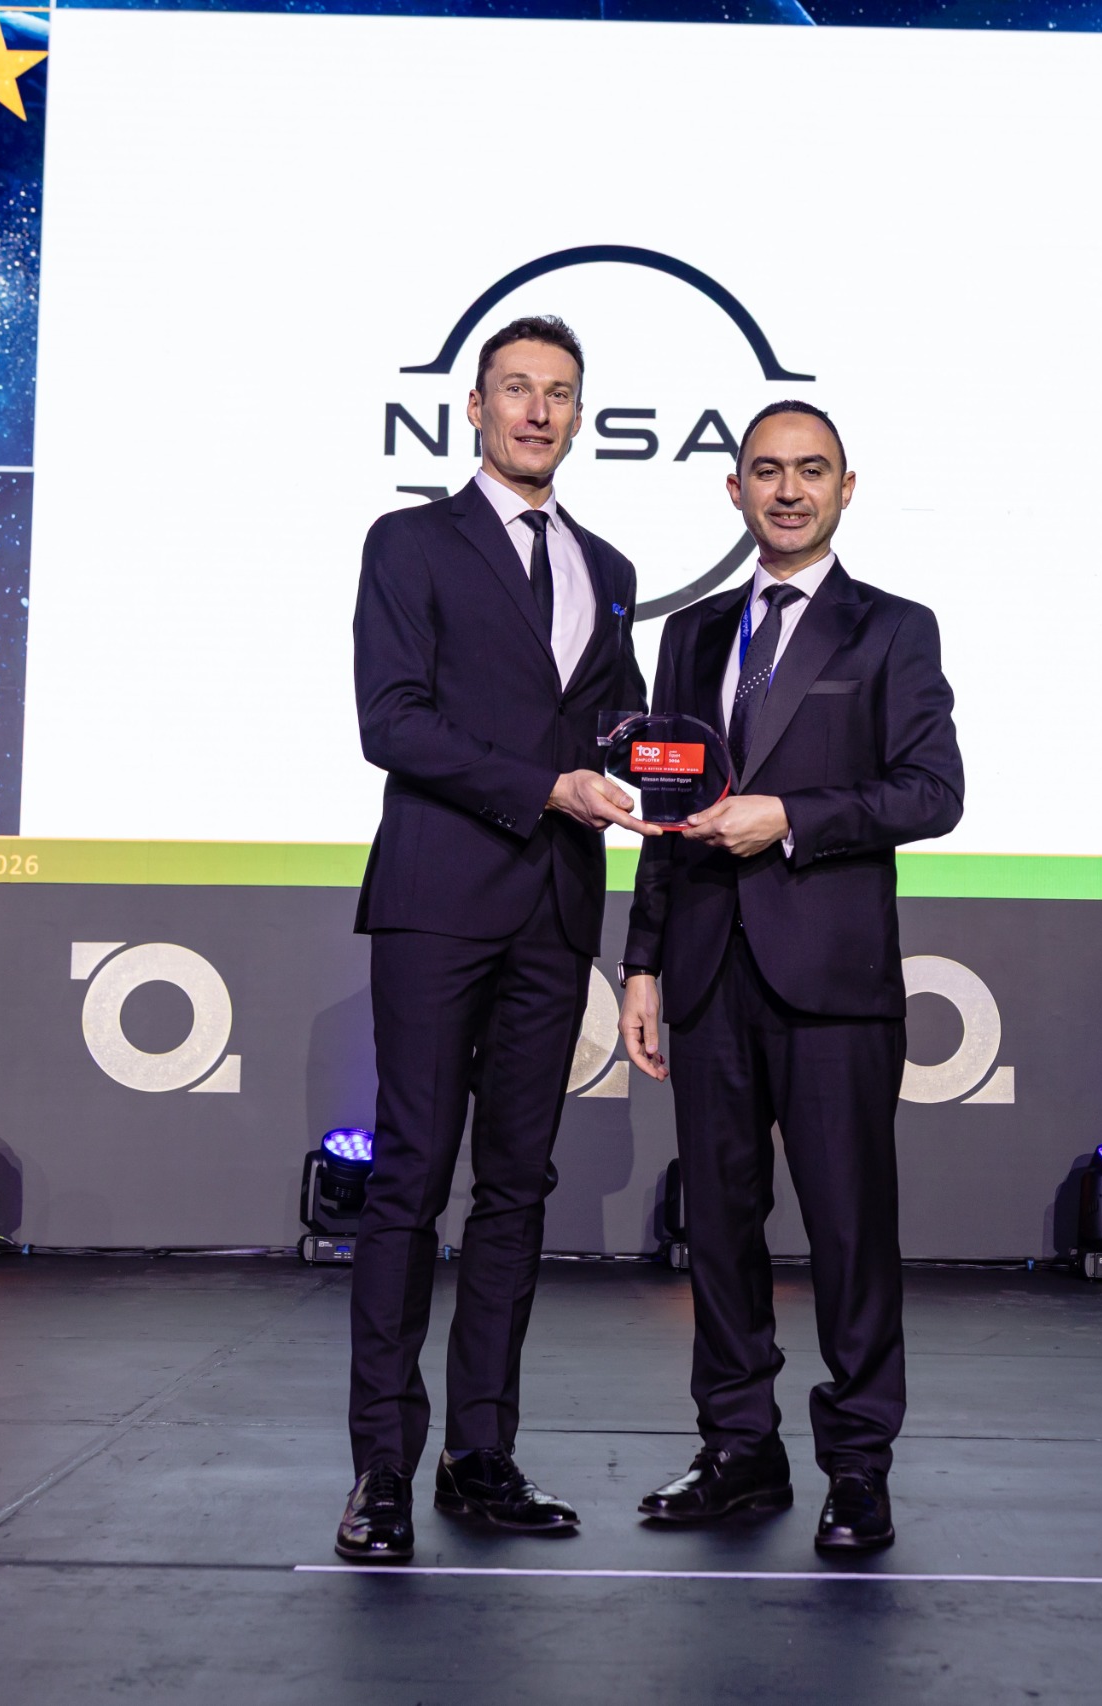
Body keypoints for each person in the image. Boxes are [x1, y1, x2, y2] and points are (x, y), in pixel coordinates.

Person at [617, 401, 963, 1553]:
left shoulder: (892, 628)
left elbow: (933, 791)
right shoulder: (692, 633)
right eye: (766, 470)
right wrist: (642, 961)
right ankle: (739, 1449)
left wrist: (792, 816)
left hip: (832, 978)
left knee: (850, 1231)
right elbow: (666, 812)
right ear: (735, 489)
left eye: (811, 470)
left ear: (845, 487)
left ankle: (857, 1464)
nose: (788, 489)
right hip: (707, 968)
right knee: (718, 1226)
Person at [338, 316, 654, 1563]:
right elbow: (391, 721)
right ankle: (380, 1469)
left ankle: (481, 1455)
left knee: (519, 1187)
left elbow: (618, 723)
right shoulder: (409, 542)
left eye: (558, 393)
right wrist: (542, 786)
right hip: (437, 897)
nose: (536, 410)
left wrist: (666, 761)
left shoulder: (608, 566)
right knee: (411, 1177)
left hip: (554, 910)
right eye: (515, 388)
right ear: (473, 407)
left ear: (579, 415)